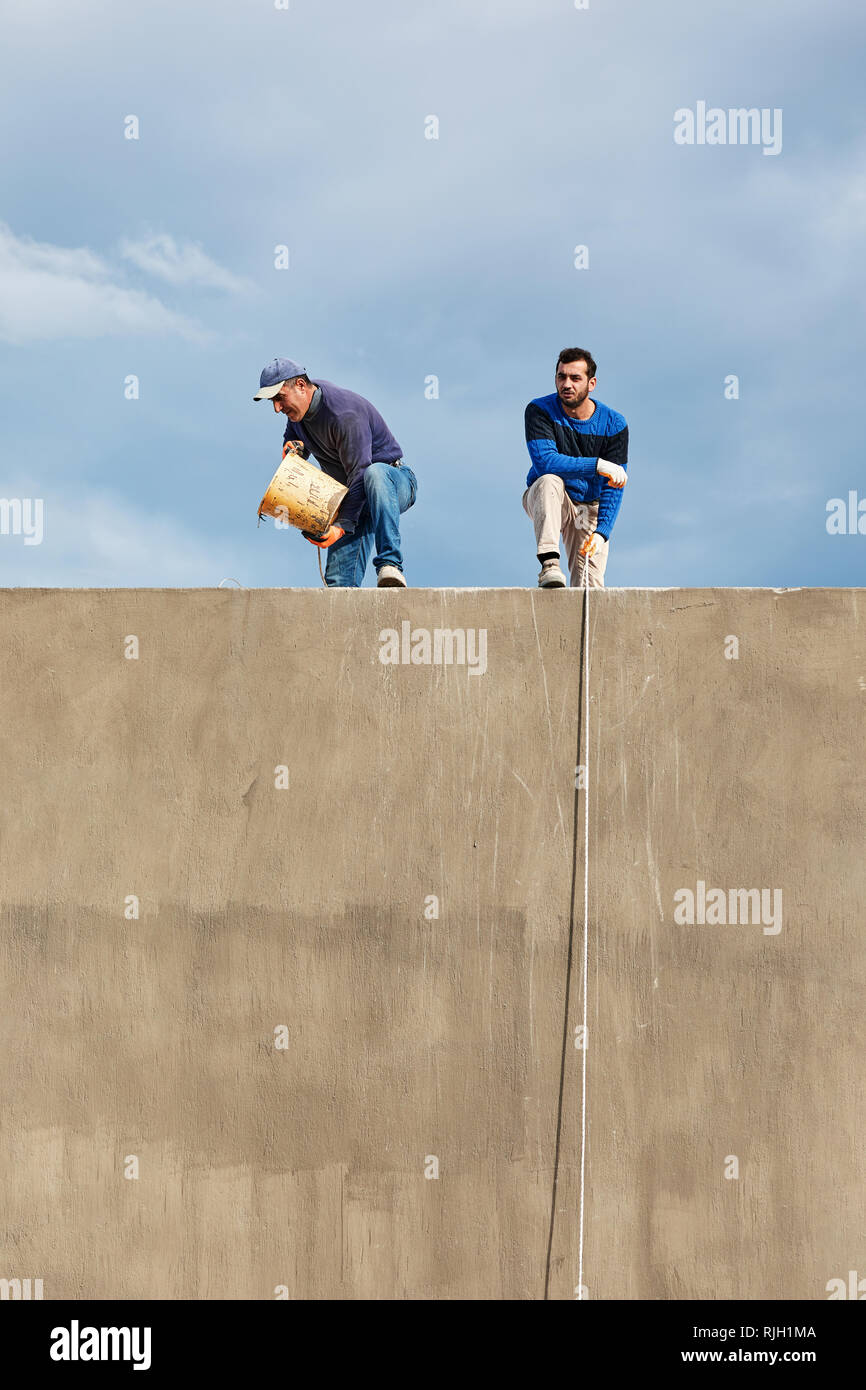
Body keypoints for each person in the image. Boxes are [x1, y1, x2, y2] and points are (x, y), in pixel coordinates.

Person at [254, 357, 416, 588]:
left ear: (301, 385)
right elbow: (294, 434)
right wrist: (293, 447)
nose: (277, 408)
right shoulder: (299, 412)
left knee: (374, 475)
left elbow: (361, 474)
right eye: (273, 401)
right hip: (353, 497)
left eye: (280, 398)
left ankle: (389, 565)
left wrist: (340, 527)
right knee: (338, 587)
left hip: (393, 482)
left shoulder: (344, 414)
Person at [522, 348, 629, 588]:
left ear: (591, 383)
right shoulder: (539, 411)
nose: (566, 384)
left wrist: (602, 532)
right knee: (550, 480)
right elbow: (545, 462)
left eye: (575, 378)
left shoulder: (614, 423)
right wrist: (598, 465)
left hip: (588, 507)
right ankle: (549, 563)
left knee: (589, 589)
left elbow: (614, 485)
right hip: (549, 498)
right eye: (561, 376)